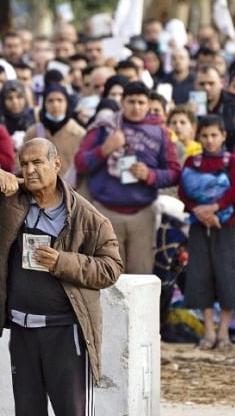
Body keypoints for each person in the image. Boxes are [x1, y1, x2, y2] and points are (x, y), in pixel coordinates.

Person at [0, 138, 122, 416]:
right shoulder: (14, 202)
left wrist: (64, 262)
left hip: (67, 333)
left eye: (36, 163)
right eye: (22, 164)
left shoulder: (88, 217)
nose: (28, 171)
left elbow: (111, 267)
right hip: (23, 332)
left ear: (56, 164)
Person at [75, 82, 181, 275]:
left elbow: (175, 173)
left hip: (142, 215)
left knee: (140, 278)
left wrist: (150, 175)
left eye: (141, 102)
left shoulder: (161, 132)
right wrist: (105, 149)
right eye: (131, 102)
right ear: (122, 102)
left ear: (149, 104)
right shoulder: (105, 127)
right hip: (105, 213)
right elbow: (80, 163)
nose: (136, 107)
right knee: (106, 278)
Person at [180, 115, 235, 350]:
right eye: (205, 136)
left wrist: (215, 209)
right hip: (199, 224)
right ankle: (208, 330)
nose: (209, 140)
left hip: (224, 225)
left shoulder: (233, 161)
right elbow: (183, 193)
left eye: (214, 135)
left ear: (224, 136)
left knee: (227, 275)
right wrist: (201, 212)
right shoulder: (191, 162)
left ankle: (224, 331)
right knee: (200, 274)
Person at [28, 85, 86, 188]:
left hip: (71, 192)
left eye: (60, 100)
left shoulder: (79, 134)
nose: (55, 105)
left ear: (67, 103)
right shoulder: (33, 132)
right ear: (44, 104)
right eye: (50, 101)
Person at [0, 80, 36, 146]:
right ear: (3, 100)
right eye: (9, 98)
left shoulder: (34, 117)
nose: (15, 102)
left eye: (19, 97)